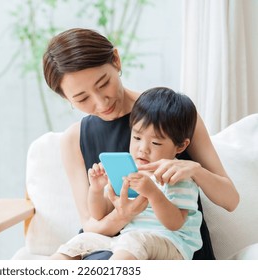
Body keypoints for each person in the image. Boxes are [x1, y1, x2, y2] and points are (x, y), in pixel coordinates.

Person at [42, 28, 239, 260]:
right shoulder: (74, 139)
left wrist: (196, 171)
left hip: (170, 246)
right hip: (111, 243)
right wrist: (124, 215)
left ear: (116, 60)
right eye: (82, 98)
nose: (100, 101)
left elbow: (230, 200)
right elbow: (90, 224)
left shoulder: (171, 113)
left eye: (103, 83)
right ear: (67, 99)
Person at [51, 87, 202, 260]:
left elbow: (175, 223)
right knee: (79, 242)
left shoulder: (176, 175)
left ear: (180, 146)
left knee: (132, 243)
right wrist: (97, 190)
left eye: (155, 142)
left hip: (172, 244)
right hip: (127, 242)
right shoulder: (128, 171)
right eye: (137, 138)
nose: (143, 149)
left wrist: (152, 192)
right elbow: (99, 214)